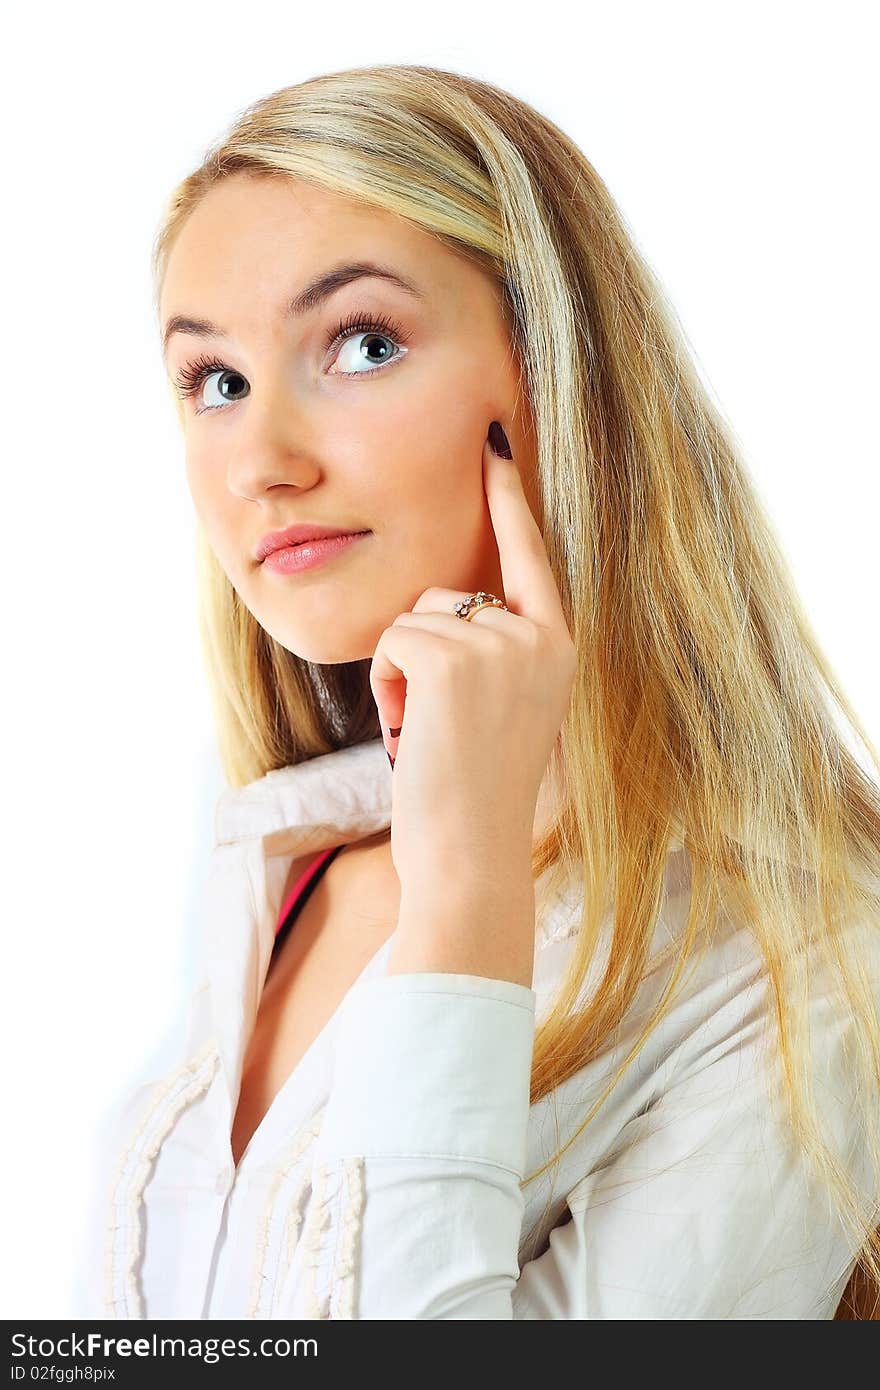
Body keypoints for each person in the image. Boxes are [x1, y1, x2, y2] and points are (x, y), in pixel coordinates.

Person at [80, 63, 880, 1320]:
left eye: (362, 343)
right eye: (215, 381)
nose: (262, 464)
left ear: (554, 383)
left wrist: (464, 887)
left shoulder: (805, 969)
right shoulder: (280, 861)